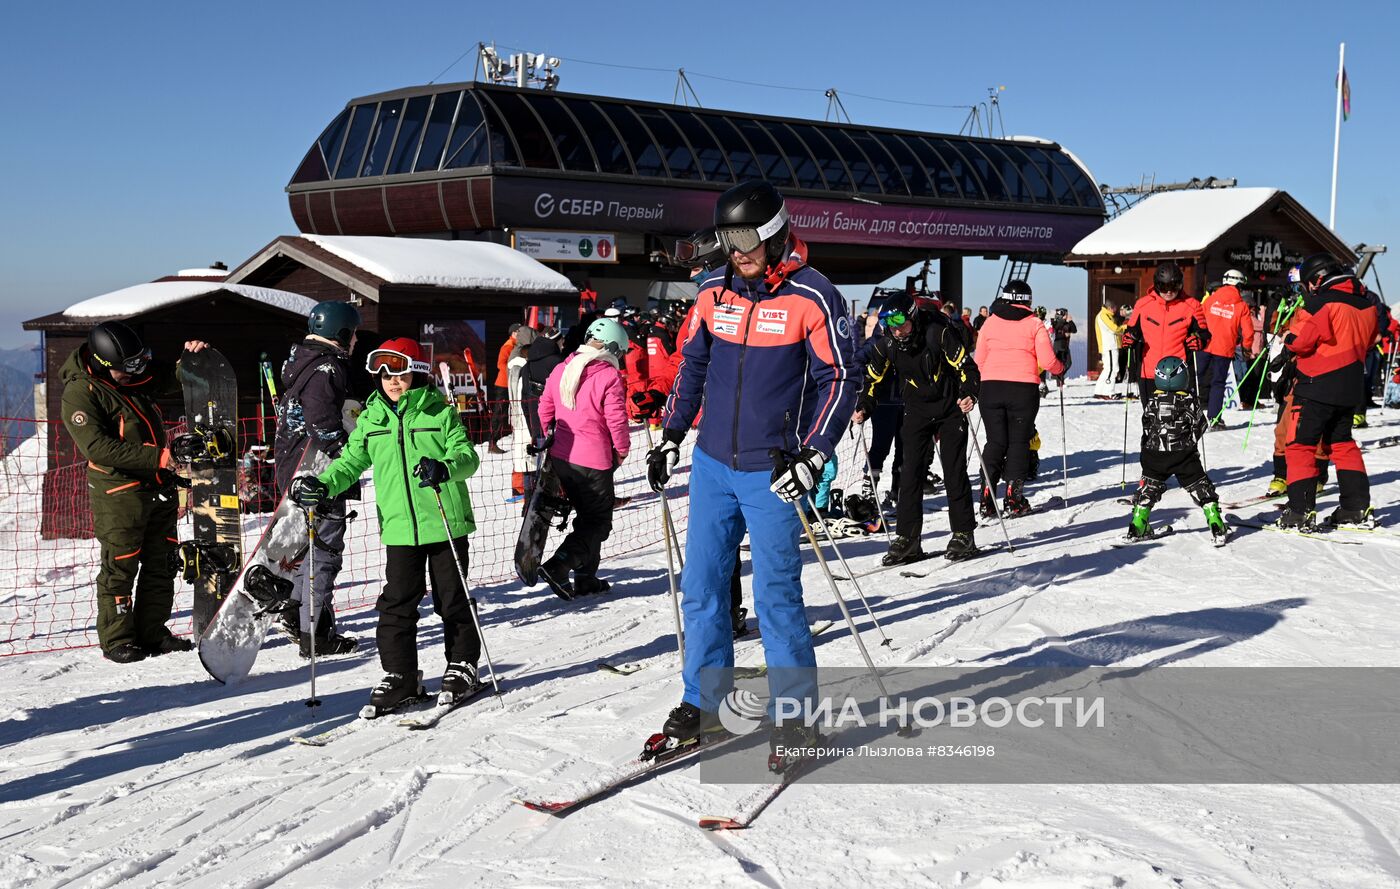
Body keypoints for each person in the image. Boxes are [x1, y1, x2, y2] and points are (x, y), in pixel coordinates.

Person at [646, 180, 856, 766]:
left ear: (772, 233)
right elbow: (692, 364)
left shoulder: (814, 297)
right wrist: (670, 435)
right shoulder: (714, 291)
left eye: (745, 241)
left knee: (776, 597)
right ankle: (706, 700)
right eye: (726, 241)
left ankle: (798, 718)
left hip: (773, 470)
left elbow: (838, 381)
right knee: (703, 589)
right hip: (713, 464)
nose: (736, 253)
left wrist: (813, 453)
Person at [291, 339, 483, 715]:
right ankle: (400, 675)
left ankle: (462, 664)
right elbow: (348, 463)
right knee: (396, 603)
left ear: (417, 372)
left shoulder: (439, 412)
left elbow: (467, 458)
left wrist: (443, 466)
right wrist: (322, 484)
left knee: (452, 598)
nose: (392, 381)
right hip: (399, 528)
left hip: (444, 522)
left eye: (399, 373)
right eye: (384, 375)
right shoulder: (371, 419)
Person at [61, 322, 206, 663]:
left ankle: (152, 632)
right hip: (120, 493)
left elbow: (166, 380)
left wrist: (189, 362)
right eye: (129, 366)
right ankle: (118, 639)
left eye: (141, 361)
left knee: (162, 562)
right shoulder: (81, 392)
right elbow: (98, 447)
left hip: (157, 485)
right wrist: (160, 457)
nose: (137, 371)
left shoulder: (130, 375)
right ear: (101, 362)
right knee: (120, 567)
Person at [854, 291, 981, 565]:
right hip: (916, 409)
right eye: (892, 327)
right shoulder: (887, 343)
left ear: (914, 318)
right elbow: (873, 380)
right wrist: (865, 404)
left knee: (953, 469)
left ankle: (963, 533)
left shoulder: (938, 332)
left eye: (902, 325)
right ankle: (907, 539)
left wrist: (969, 392)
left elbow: (967, 367)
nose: (898, 332)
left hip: (950, 406)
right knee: (909, 472)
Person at [274, 300, 361, 657]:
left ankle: (298, 614)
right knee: (324, 548)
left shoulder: (300, 360)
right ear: (341, 333)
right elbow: (322, 422)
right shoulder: (327, 367)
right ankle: (316, 630)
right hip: (318, 471)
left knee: (306, 546)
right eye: (352, 335)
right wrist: (351, 452)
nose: (355, 342)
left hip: (290, 464)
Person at [1275, 253, 1378, 529]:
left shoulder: (1321, 302)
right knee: (1342, 444)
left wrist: (1287, 337)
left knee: (1299, 445)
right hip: (1351, 385)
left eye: (1309, 283)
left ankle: (1300, 510)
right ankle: (1355, 506)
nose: (1308, 289)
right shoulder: (1366, 304)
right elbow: (1371, 342)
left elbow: (1302, 341)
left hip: (1317, 383)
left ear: (1317, 279)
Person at [536, 317, 632, 599]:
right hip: (593, 460)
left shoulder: (562, 368)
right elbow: (616, 419)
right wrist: (622, 449)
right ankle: (559, 565)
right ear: (613, 347)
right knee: (597, 522)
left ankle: (586, 577)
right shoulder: (607, 375)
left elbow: (545, 410)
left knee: (586, 516)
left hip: (563, 458)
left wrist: (552, 437)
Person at [973, 281, 1063, 518]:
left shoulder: (990, 322)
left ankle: (986, 494)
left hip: (990, 388)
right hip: (1022, 388)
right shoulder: (1034, 323)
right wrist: (1060, 369)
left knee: (995, 442)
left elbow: (979, 360)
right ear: (1028, 301)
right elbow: (1047, 359)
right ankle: (1014, 497)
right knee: (1018, 442)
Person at [1125, 357, 1228, 544]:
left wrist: (1148, 446)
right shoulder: (1189, 401)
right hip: (1183, 454)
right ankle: (1215, 520)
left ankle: (1138, 523)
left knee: (1150, 486)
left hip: (1154, 454)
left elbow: (1146, 426)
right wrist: (1189, 441)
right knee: (1200, 485)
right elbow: (1200, 425)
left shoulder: (1153, 401)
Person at [1122, 262, 1210, 405]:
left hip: (1179, 375)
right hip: (1149, 373)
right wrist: (1129, 339)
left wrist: (1199, 342)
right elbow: (1132, 331)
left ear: (1180, 285)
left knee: (1178, 421)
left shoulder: (1192, 305)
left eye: (1174, 287)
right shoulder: (1143, 305)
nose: (1169, 292)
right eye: (1164, 287)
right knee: (1152, 420)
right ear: (1156, 286)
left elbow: (1205, 335)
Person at [1199, 269, 1257, 427]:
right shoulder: (1241, 306)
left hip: (1204, 346)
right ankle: (1215, 418)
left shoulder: (1210, 300)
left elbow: (1198, 319)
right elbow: (1248, 331)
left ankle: (1191, 415)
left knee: (1197, 380)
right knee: (1218, 383)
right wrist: (1246, 348)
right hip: (1224, 349)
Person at [489, 324, 520, 454]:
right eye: (518, 331)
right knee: (499, 413)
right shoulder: (508, 346)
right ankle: (492, 443)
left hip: (508, 383)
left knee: (503, 413)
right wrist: (511, 372)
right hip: (504, 384)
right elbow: (500, 364)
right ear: (513, 333)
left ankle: (494, 442)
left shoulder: (515, 345)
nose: (520, 333)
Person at [1093, 301, 1125, 400]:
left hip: (1110, 346)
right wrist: (1125, 328)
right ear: (1110, 308)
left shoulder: (1104, 315)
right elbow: (1114, 328)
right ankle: (1108, 392)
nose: (1116, 311)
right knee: (1112, 369)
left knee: (1107, 369)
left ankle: (1099, 391)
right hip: (1110, 346)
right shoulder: (1104, 315)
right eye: (1115, 309)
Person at [1049, 308, 1076, 387]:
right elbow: (1057, 327)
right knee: (1060, 363)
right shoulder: (1055, 322)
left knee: (1068, 363)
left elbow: (1074, 330)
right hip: (1058, 346)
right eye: (1066, 314)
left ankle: (1057, 376)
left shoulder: (1067, 323)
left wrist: (1070, 321)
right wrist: (1063, 321)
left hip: (1066, 346)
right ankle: (1059, 381)